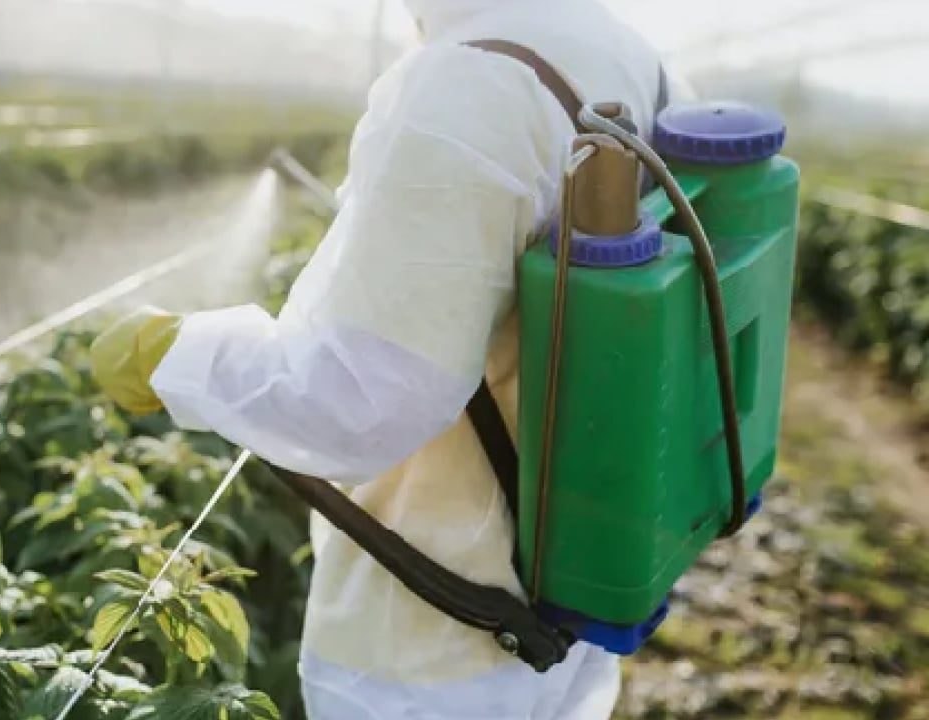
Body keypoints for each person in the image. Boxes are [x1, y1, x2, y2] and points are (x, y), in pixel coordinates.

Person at [90, 1, 694, 717]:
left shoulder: (469, 86)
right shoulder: (618, 48)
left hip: (432, 646)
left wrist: (178, 354)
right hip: (570, 588)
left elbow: (362, 400)